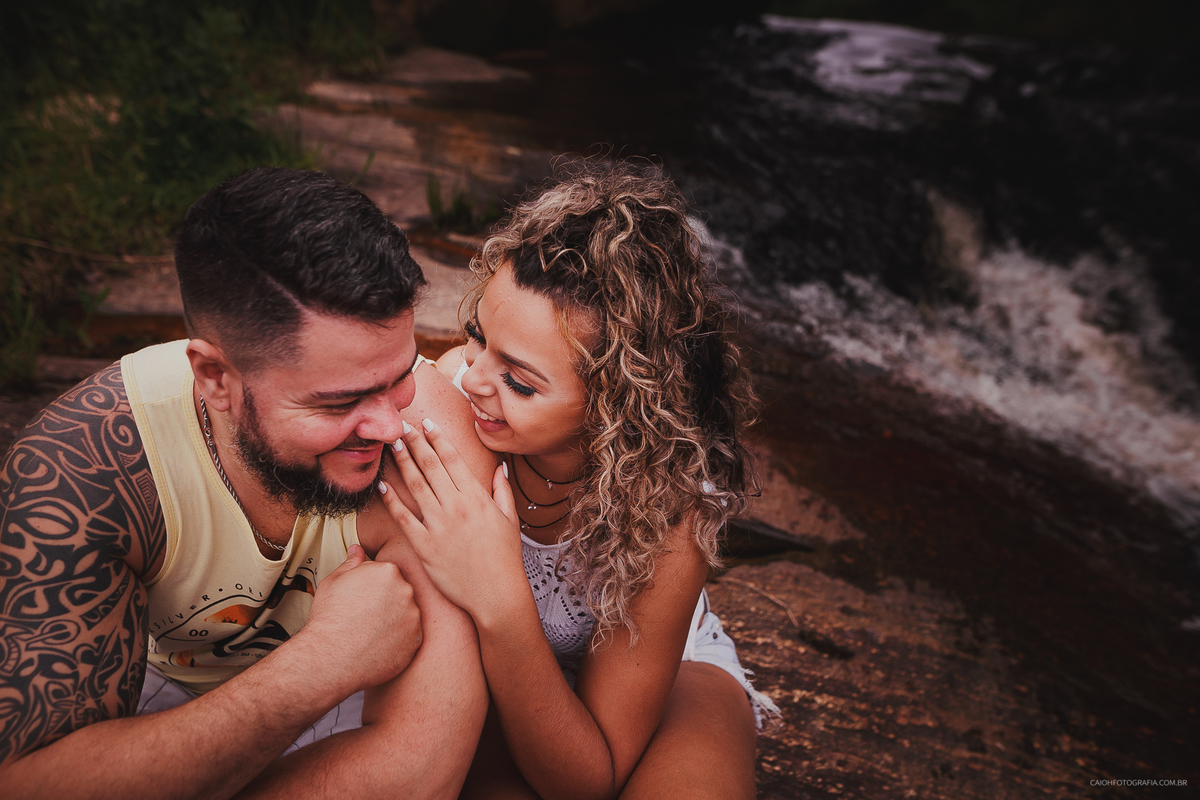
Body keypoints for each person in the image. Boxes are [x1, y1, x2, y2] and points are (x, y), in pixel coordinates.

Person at [0, 168, 495, 799]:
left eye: (398, 375)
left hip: (344, 719)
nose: (389, 423)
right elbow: (32, 779)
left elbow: (420, 772)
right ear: (214, 377)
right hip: (154, 706)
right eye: (338, 402)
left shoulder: (431, 440)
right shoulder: (85, 470)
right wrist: (324, 661)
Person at [378, 160, 779, 800]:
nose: (474, 377)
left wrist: (502, 598)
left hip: (660, 675)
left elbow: (591, 778)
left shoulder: (670, 514)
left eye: (519, 379)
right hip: (490, 672)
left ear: (620, 404)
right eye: (478, 337)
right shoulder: (455, 408)